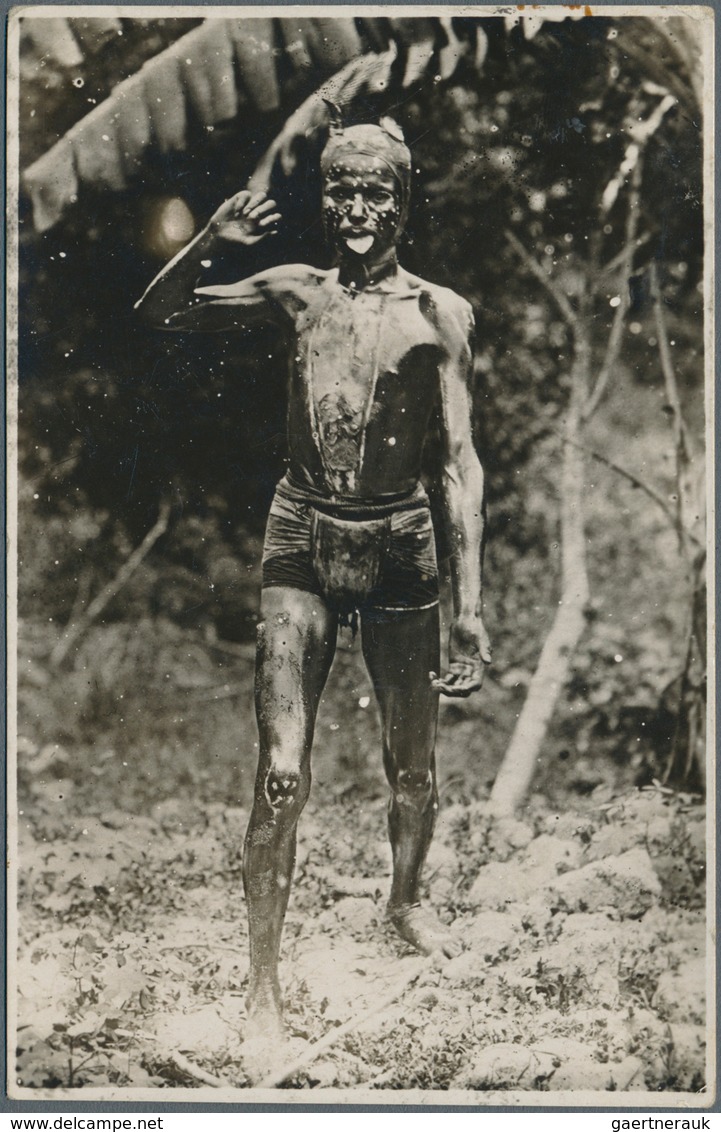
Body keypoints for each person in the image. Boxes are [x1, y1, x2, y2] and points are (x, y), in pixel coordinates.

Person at [136, 117, 491, 1052]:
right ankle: (263, 990)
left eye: (377, 194)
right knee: (281, 774)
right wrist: (209, 240)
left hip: (401, 545)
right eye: (342, 192)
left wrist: (472, 613)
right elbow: (160, 315)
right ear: (323, 200)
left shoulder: (437, 314)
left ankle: (405, 903)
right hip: (301, 535)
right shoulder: (297, 293)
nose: (359, 211)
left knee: (409, 769)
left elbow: (457, 467)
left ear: (403, 202)